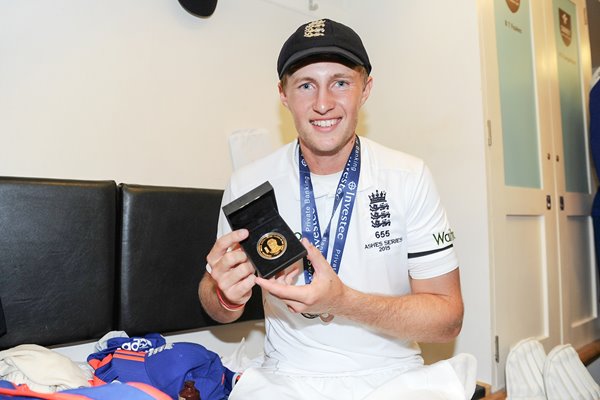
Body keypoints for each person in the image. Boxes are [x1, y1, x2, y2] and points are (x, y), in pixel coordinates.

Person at [199, 18, 475, 400]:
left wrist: (345, 303)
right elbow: (216, 306)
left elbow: (448, 318)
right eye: (306, 85)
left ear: (366, 89)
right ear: (283, 94)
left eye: (340, 82)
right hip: (286, 377)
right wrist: (226, 293)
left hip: (392, 376)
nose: (323, 103)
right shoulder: (248, 183)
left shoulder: (408, 176)